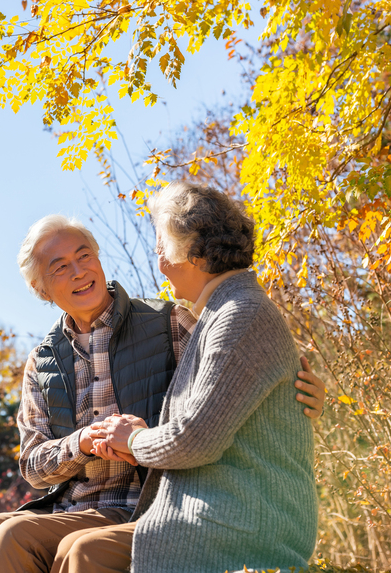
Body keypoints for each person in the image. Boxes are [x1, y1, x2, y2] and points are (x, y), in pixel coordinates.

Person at [0, 213, 324, 573]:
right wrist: (81, 443)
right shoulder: (42, 362)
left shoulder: (169, 321)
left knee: (14, 537)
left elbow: (234, 381)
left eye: (84, 255)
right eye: (60, 267)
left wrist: (299, 389)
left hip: (145, 502)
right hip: (69, 506)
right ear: (41, 289)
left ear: (99, 259)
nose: (78, 271)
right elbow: (33, 468)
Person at [67, 182, 318, 573]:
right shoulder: (221, 313)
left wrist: (133, 440)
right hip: (218, 510)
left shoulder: (240, 314)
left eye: (161, 249)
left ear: (194, 254)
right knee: (79, 549)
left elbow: (195, 439)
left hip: (242, 521)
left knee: (87, 553)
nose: (160, 263)